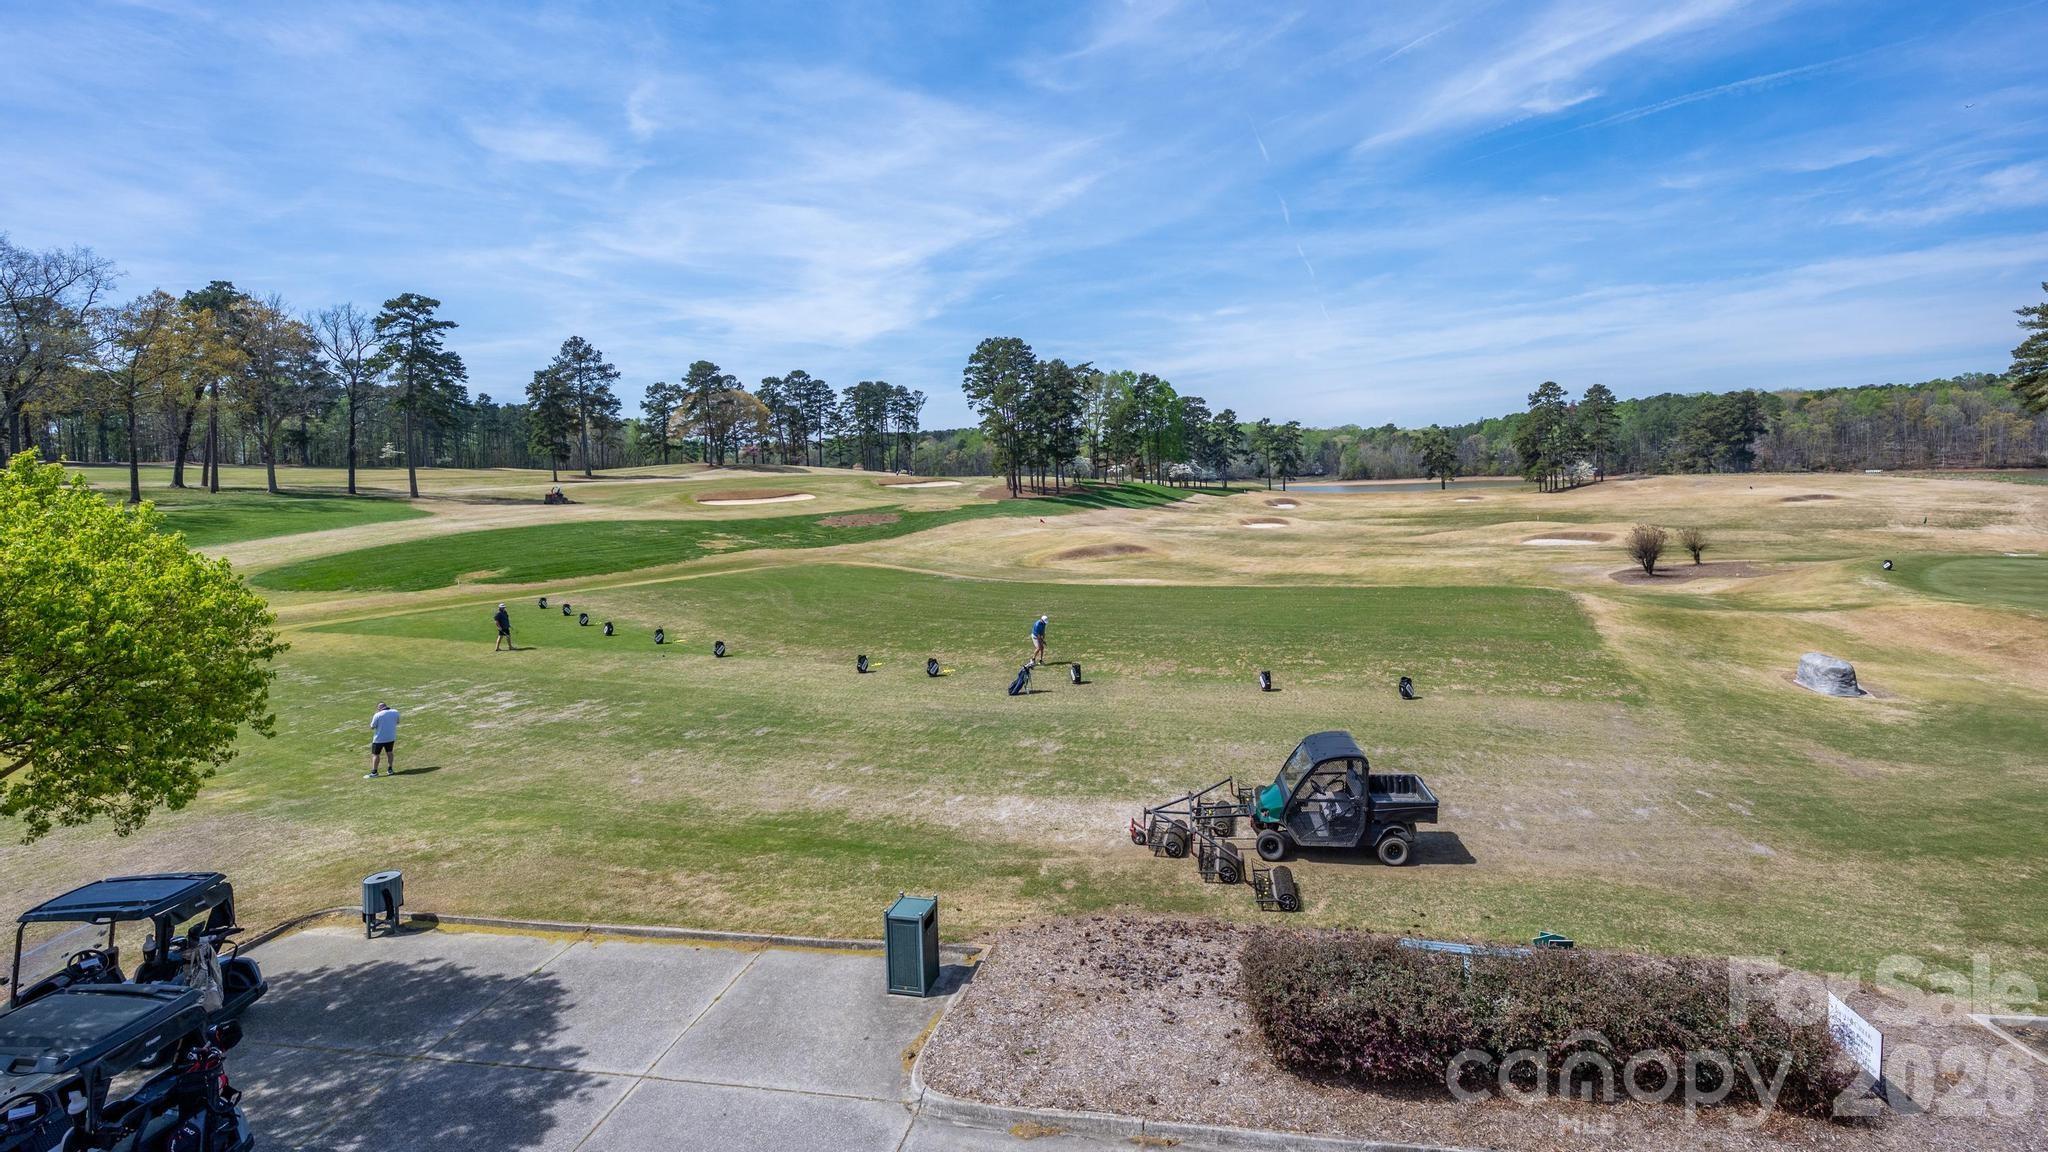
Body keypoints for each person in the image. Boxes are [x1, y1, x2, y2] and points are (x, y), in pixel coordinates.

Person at [366, 702, 400, 778]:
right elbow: (397, 722)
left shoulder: (377, 715)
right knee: (389, 752)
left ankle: (374, 772)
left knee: (375, 754)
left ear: (379, 708)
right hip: (391, 737)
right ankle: (390, 769)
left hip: (379, 739)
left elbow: (372, 726)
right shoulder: (395, 712)